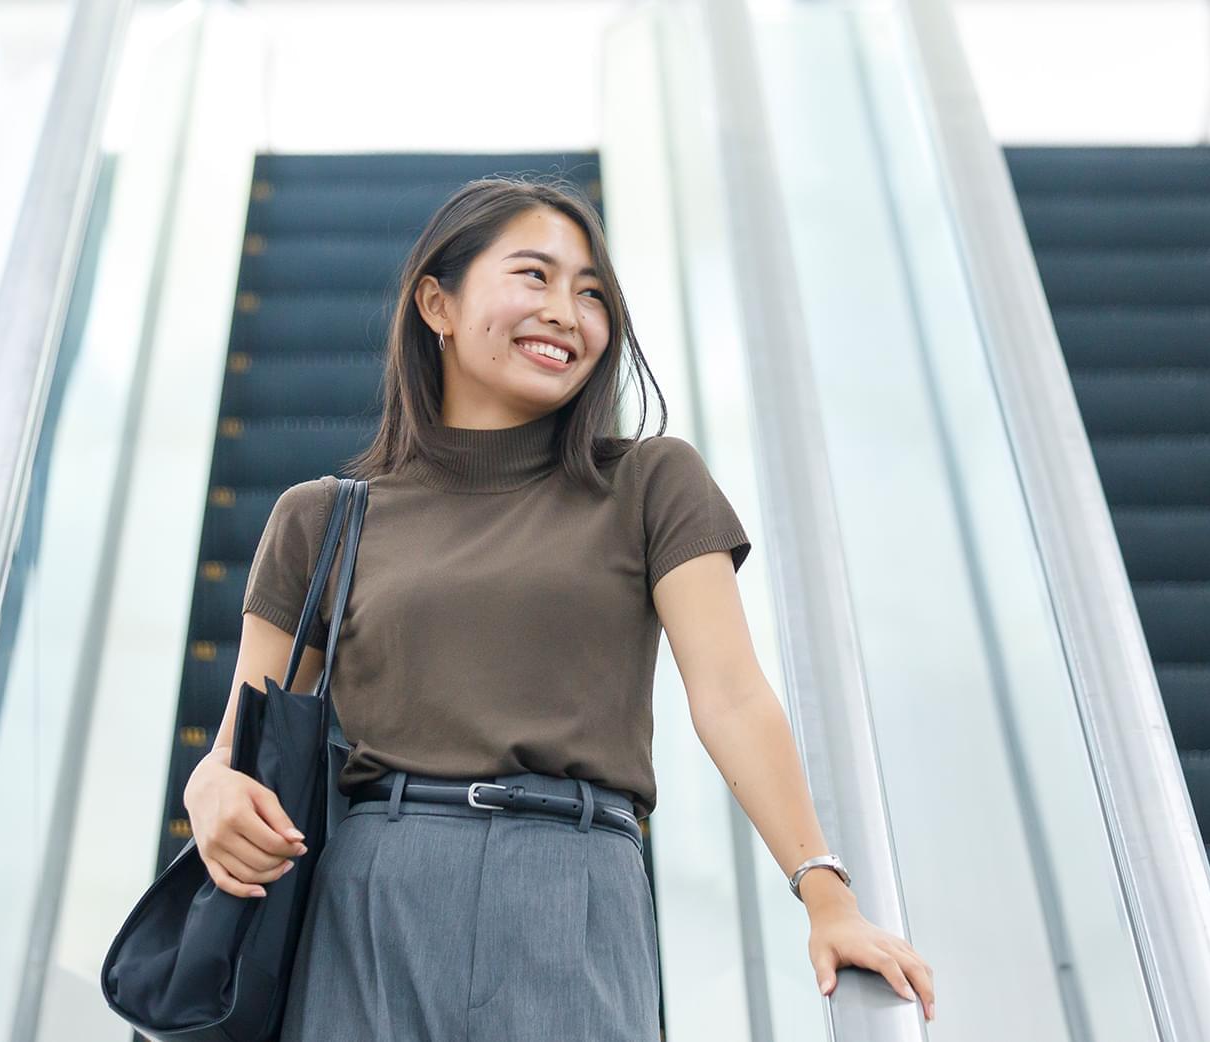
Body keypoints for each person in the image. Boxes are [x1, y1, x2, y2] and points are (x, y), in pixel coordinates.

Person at [181, 174, 936, 1038]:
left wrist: (826, 896)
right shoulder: (322, 517)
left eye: (592, 293)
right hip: (373, 893)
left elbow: (730, 696)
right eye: (533, 277)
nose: (566, 312)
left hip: (573, 880)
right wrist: (209, 788)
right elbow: (241, 748)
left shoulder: (651, 482)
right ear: (438, 303)